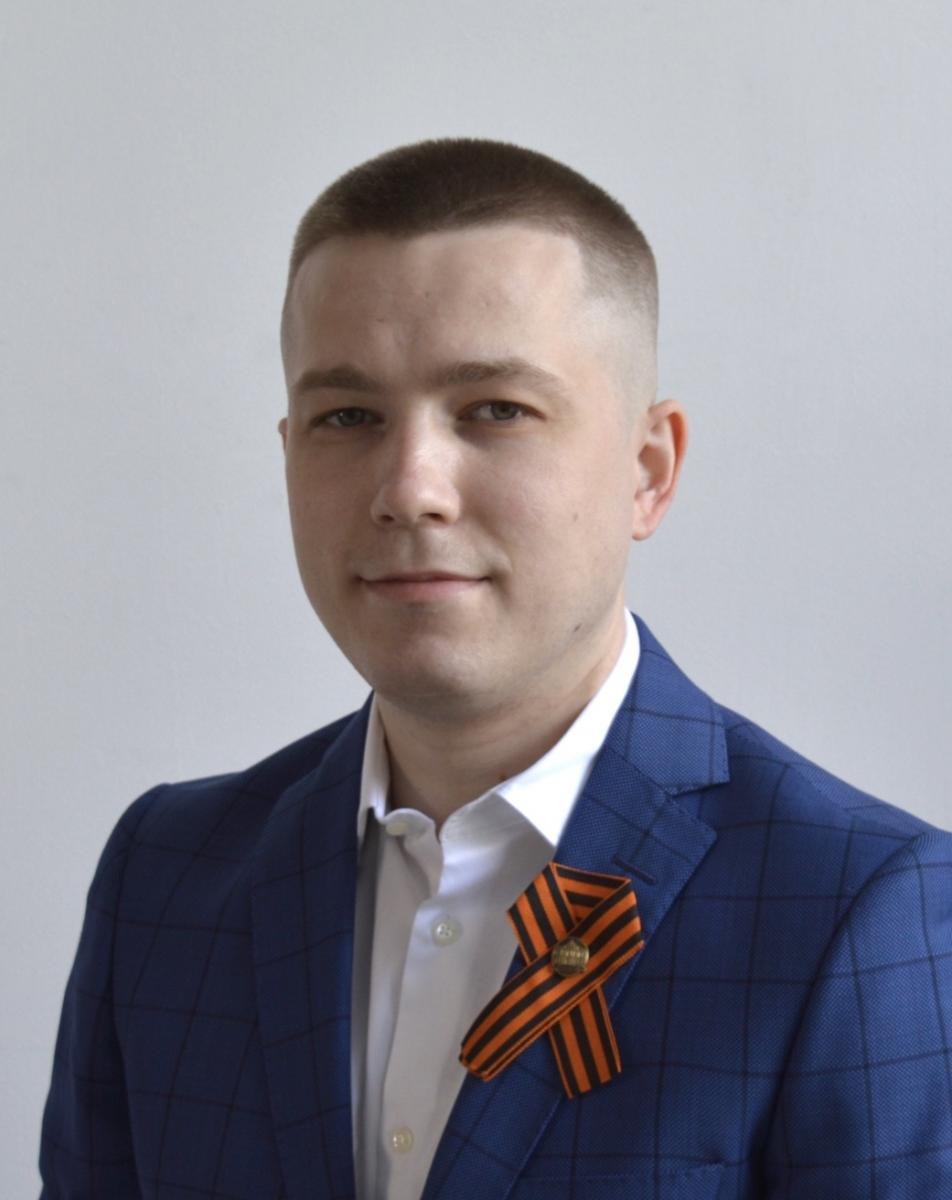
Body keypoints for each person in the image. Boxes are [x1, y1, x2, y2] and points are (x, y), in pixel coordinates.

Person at [39, 137, 951, 1200]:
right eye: (348, 417)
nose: (409, 488)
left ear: (647, 471)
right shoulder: (166, 874)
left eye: (494, 410)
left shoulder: (858, 908)